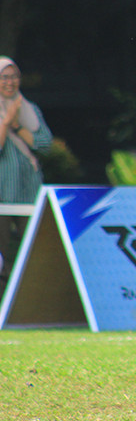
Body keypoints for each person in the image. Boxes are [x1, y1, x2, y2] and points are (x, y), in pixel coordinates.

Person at [0, 57, 53, 286]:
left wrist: (18, 126)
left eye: (14, 76)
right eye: (4, 77)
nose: (10, 82)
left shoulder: (30, 109)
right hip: (2, 192)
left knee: (30, 246)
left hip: (28, 188)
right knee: (2, 251)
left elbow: (44, 144)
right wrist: (7, 121)